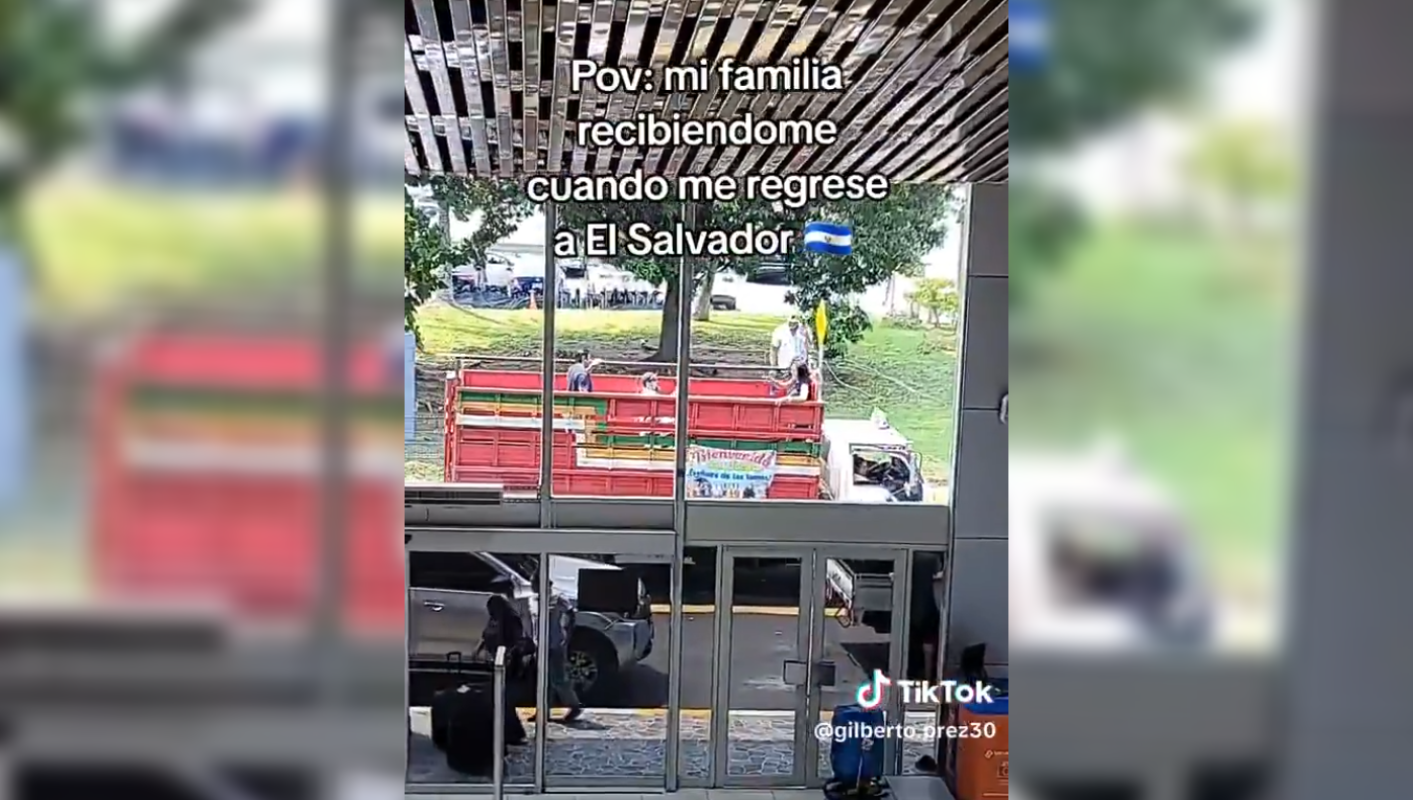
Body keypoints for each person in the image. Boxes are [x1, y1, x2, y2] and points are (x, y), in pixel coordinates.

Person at [532, 592, 584, 723]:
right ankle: (543, 710)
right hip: (541, 644)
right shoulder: (535, 600)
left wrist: (567, 635)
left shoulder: (558, 599)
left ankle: (574, 705)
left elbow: (571, 614)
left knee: (558, 678)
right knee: (544, 680)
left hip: (555, 644)